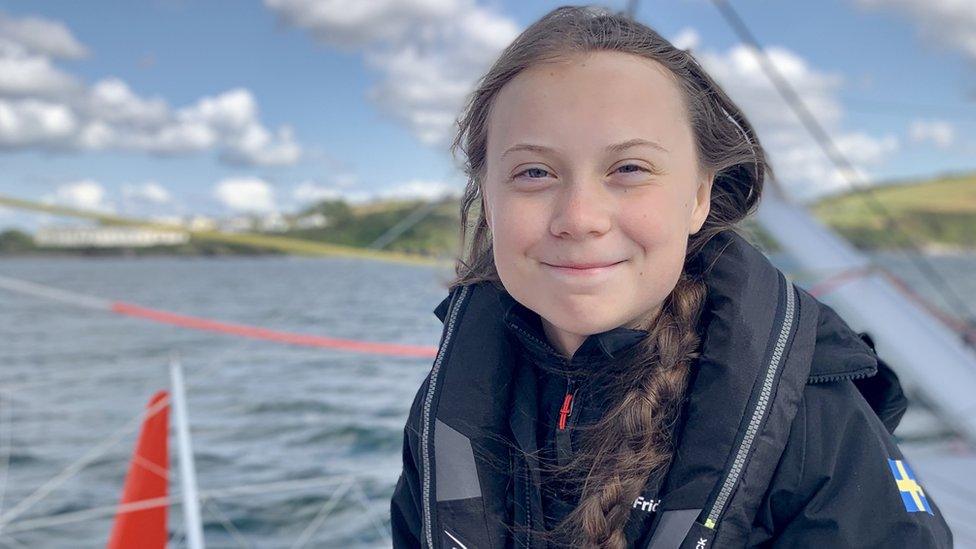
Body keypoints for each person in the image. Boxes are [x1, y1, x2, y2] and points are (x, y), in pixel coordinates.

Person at [391, 5, 954, 548]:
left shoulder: (812, 422)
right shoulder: (451, 396)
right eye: (534, 172)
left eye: (629, 168)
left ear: (700, 196)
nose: (580, 218)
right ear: (487, 198)